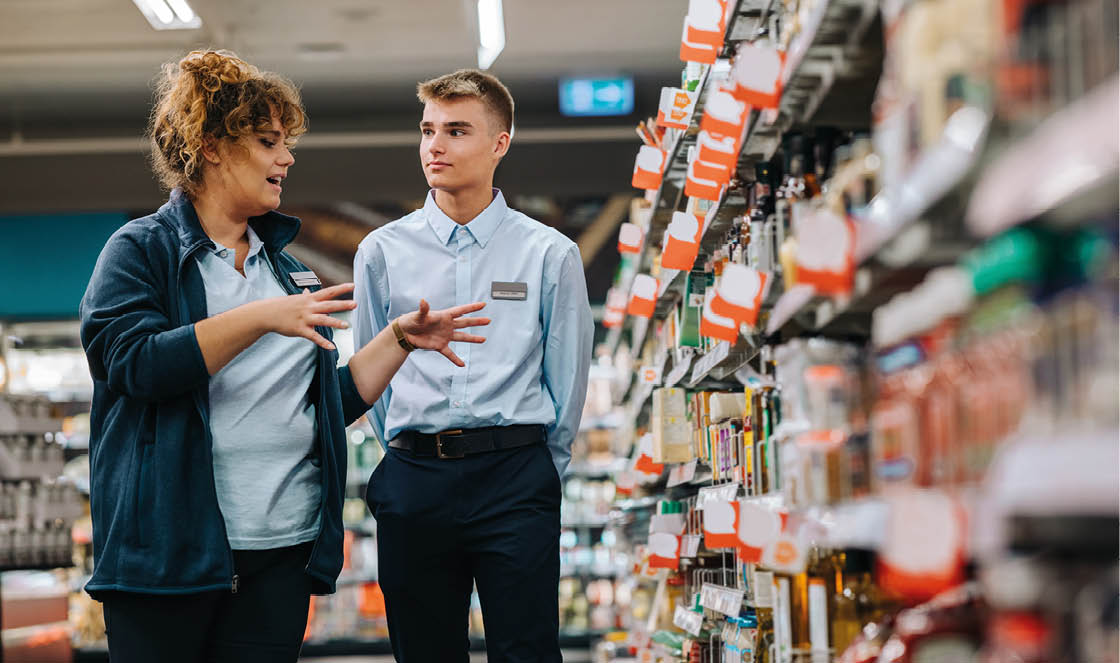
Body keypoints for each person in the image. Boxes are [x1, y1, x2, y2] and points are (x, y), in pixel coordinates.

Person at [78, 49, 489, 663]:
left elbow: (323, 404)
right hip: (167, 556)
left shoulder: (286, 271)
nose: (287, 158)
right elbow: (133, 365)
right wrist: (260, 317)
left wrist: (399, 339)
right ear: (212, 145)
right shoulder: (142, 251)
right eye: (269, 141)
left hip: (280, 556)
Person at [353, 69, 594, 662]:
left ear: (499, 143)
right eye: (428, 130)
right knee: (424, 651)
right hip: (415, 477)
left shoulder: (549, 254)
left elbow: (568, 381)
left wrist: (539, 470)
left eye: (456, 130)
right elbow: (370, 376)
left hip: (515, 476)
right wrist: (407, 453)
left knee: (527, 650)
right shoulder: (381, 252)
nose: (435, 146)